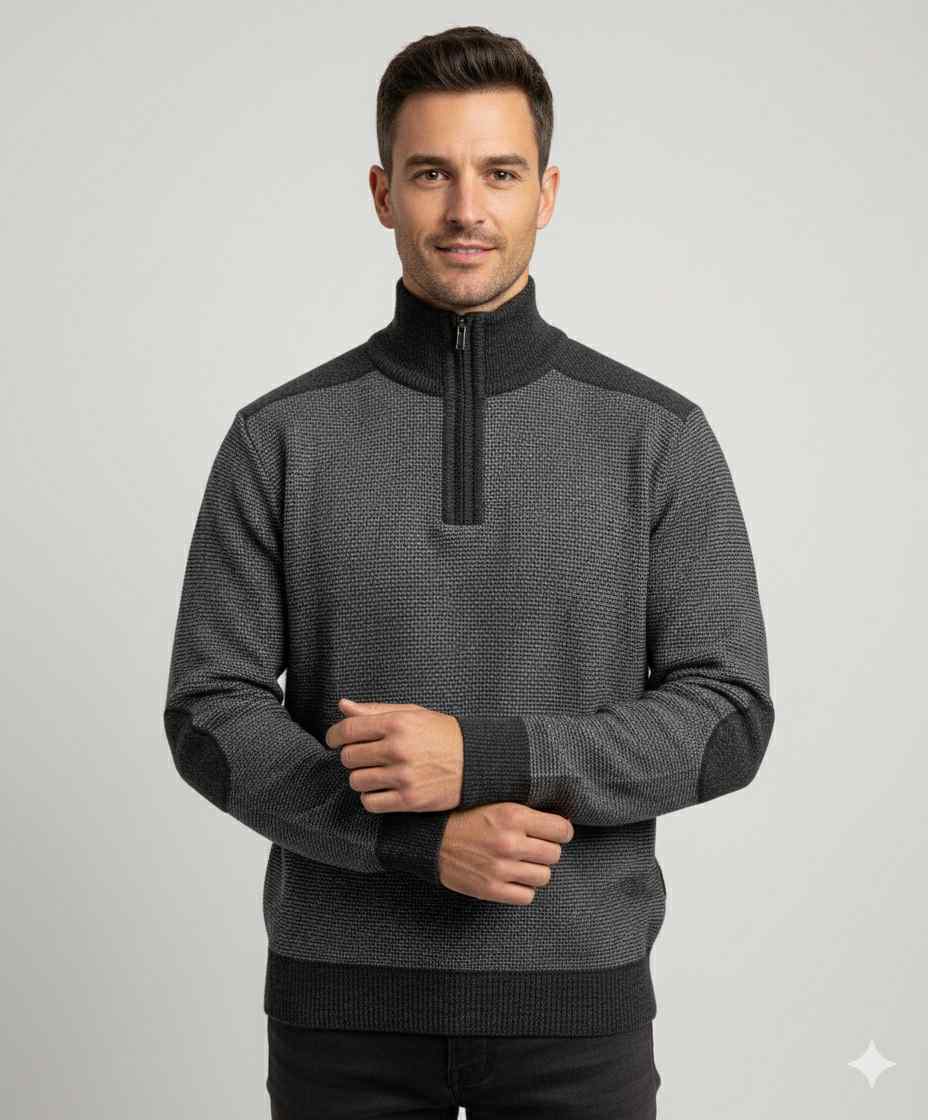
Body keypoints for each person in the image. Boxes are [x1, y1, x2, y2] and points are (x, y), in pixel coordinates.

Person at [163, 23, 775, 1120]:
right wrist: (408, 842)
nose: (464, 209)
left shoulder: (656, 437)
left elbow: (727, 718)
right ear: (381, 193)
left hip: (577, 1008)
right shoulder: (280, 437)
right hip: (341, 1014)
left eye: (498, 173)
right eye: (430, 173)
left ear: (547, 192)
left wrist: (488, 756)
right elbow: (210, 714)